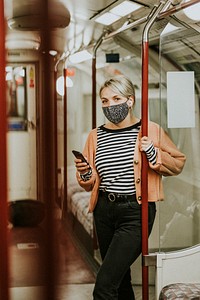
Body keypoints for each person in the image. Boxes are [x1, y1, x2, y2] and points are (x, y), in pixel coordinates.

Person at [74, 75, 186, 300]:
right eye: (104, 101)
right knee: (120, 280)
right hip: (104, 211)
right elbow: (89, 181)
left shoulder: (150, 131)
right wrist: (85, 172)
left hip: (135, 213)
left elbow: (178, 163)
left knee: (104, 286)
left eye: (116, 98)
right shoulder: (95, 136)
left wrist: (153, 153)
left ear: (130, 101)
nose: (110, 105)